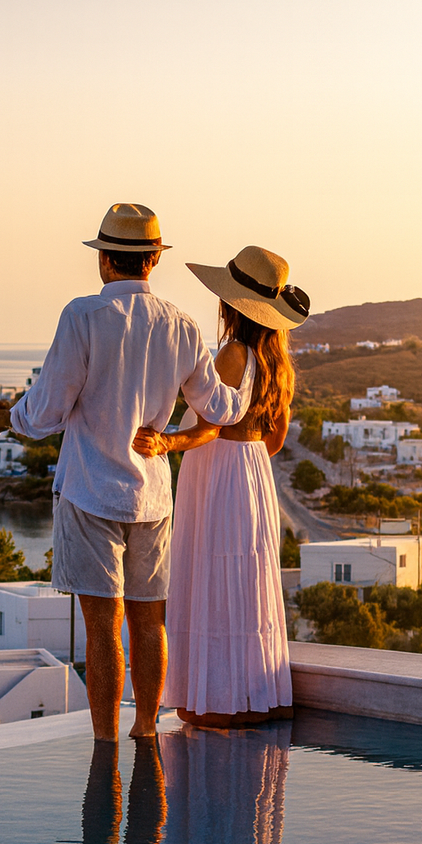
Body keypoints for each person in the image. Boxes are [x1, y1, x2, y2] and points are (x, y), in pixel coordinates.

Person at [0, 203, 252, 741]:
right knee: (149, 624)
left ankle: (106, 747)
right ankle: (146, 730)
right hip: (152, 498)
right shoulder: (183, 326)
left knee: (103, 630)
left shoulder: (82, 317)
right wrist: (258, 359)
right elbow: (221, 410)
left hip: (90, 494)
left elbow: (47, 411)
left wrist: (5, 418)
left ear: (105, 260)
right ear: (154, 259)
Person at [132, 246, 309, 729]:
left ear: (230, 304)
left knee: (211, 579)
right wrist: (244, 456)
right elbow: (274, 439)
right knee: (247, 583)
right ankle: (255, 695)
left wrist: (167, 443)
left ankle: (214, 703)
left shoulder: (233, 354)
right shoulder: (279, 363)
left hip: (220, 471)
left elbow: (210, 425)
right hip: (253, 470)